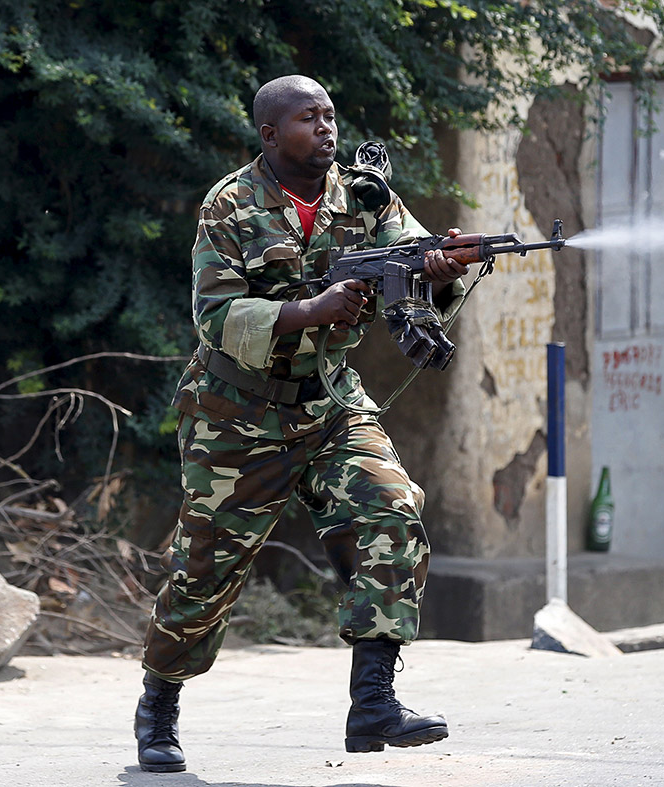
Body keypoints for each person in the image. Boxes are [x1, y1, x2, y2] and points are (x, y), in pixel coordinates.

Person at [133, 74, 468, 773]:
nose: (326, 128)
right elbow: (215, 317)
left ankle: (373, 699)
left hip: (330, 401)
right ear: (269, 134)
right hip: (237, 412)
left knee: (394, 504)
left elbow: (415, 257)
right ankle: (159, 701)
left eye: (331, 116)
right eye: (308, 118)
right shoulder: (229, 204)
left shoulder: (365, 194)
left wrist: (442, 267)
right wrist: (311, 309)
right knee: (204, 574)